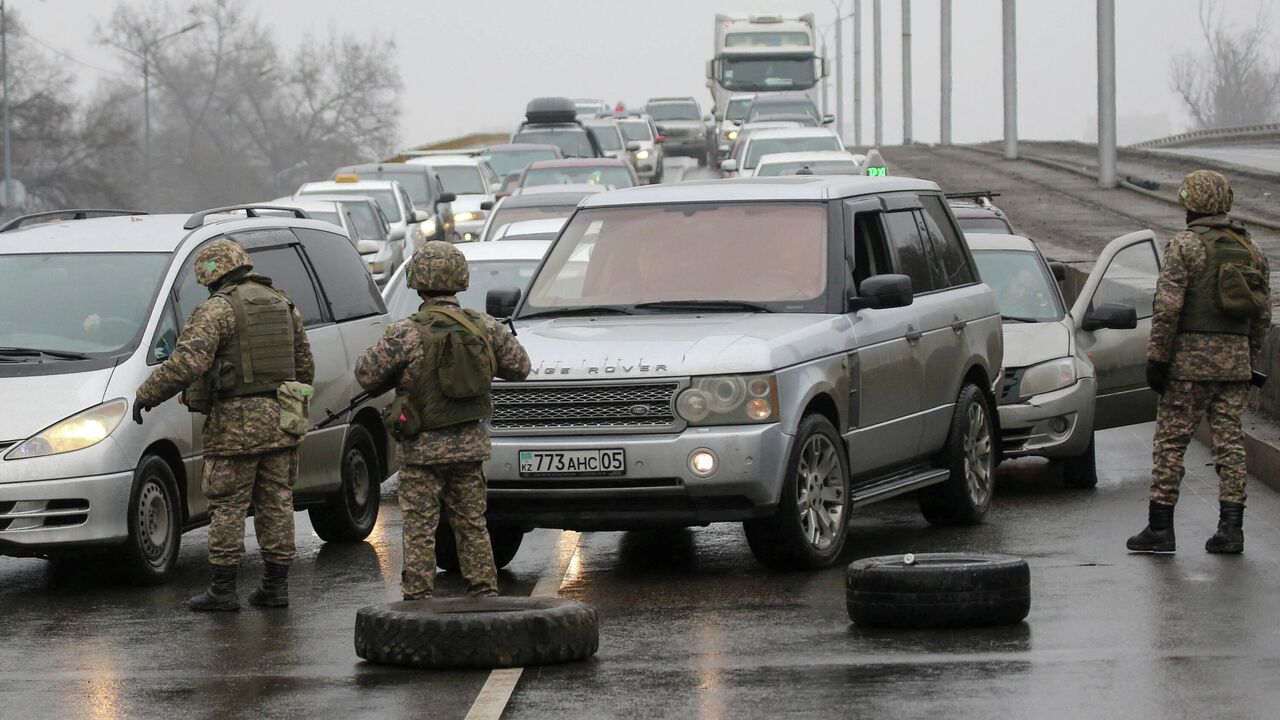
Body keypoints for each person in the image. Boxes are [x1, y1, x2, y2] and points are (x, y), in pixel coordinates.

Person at [134, 239, 314, 610]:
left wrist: (146, 395)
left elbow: (187, 363)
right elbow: (305, 366)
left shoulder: (218, 310)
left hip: (234, 426)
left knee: (228, 506)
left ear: (209, 275)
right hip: (282, 421)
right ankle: (276, 587)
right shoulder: (283, 302)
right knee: (276, 502)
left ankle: (223, 589)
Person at [355, 241, 530, 599]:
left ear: (417, 281)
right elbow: (520, 367)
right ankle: (483, 590)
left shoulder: (405, 332)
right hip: (469, 446)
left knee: (420, 526)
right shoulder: (484, 326)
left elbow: (366, 375)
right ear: (460, 279)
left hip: (422, 450)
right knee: (472, 524)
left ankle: (418, 597)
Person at [1127, 170, 1270, 554]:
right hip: (1234, 366)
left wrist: (1157, 357)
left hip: (1188, 366)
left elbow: (1168, 307)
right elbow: (1262, 315)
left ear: (1192, 203)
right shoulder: (1251, 249)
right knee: (1231, 444)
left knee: (1170, 443)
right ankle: (1232, 529)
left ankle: (1160, 529)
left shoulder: (1185, 246)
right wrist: (1248, 356)